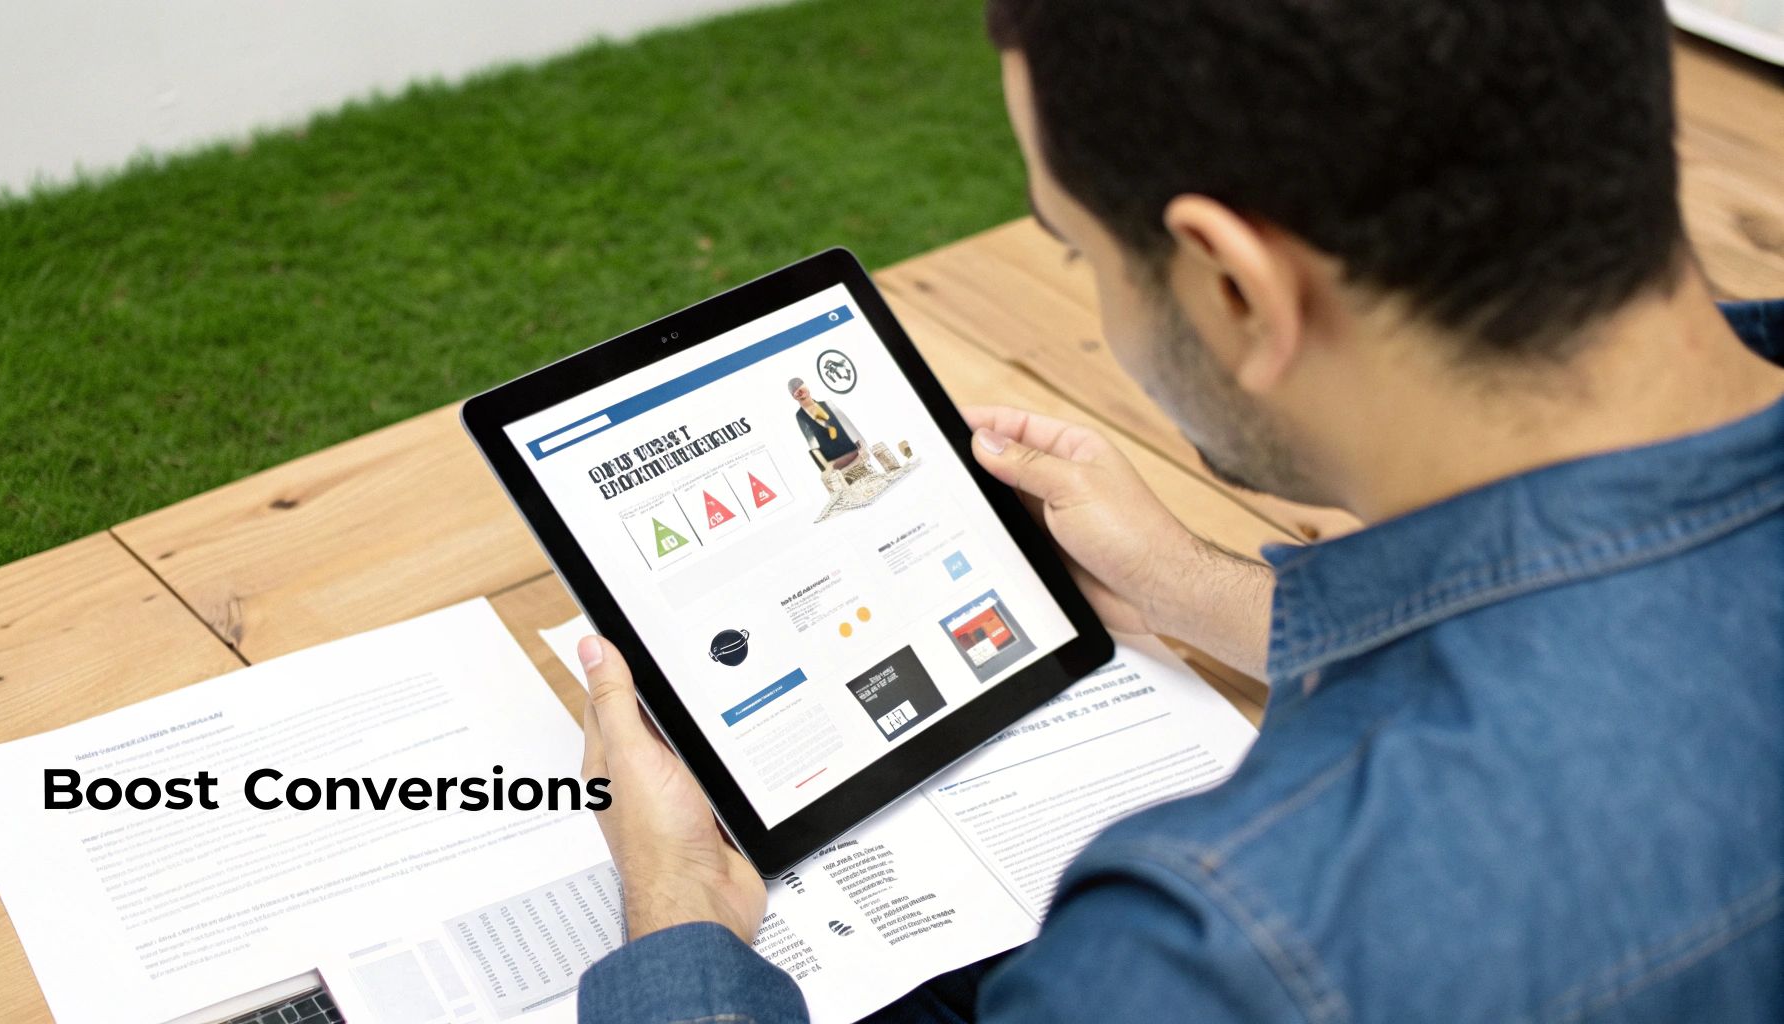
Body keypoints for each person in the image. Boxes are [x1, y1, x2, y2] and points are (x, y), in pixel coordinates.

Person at [574, 0, 1784, 1019]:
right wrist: (1193, 585)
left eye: (1075, 252)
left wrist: (678, 917)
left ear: (1231, 287)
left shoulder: (1210, 949)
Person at [790, 376, 866, 473]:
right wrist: (827, 468)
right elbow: (812, 444)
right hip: (836, 462)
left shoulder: (827, 403)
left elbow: (846, 423)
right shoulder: (800, 416)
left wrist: (862, 445)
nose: (799, 391)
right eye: (795, 391)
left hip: (854, 452)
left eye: (800, 386)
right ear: (793, 396)